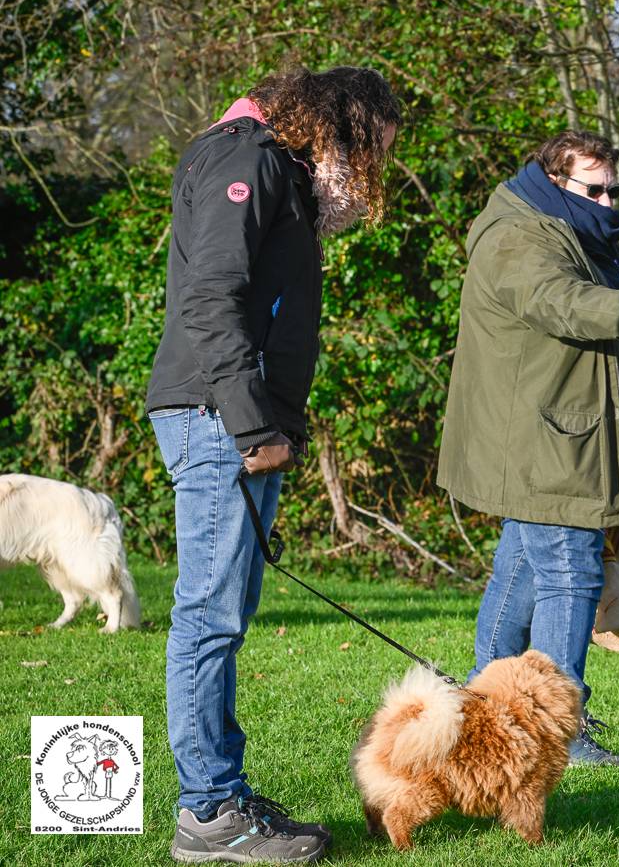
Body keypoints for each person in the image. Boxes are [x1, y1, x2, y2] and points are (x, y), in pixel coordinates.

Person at [146, 65, 401, 863]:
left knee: (225, 612)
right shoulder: (245, 159)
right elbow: (211, 299)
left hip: (233, 418)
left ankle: (221, 790)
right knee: (209, 616)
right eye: (370, 150)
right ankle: (210, 812)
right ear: (336, 126)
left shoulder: (268, 167)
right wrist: (253, 425)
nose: (371, 174)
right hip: (218, 418)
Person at [437, 129, 619, 766]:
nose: (609, 202)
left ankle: (488, 702)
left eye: (616, 190)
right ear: (555, 181)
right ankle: (560, 728)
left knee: (525, 569)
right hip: (547, 439)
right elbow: (560, 302)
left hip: (564, 434)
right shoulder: (518, 236)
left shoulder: (574, 226)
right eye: (595, 189)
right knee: (571, 574)